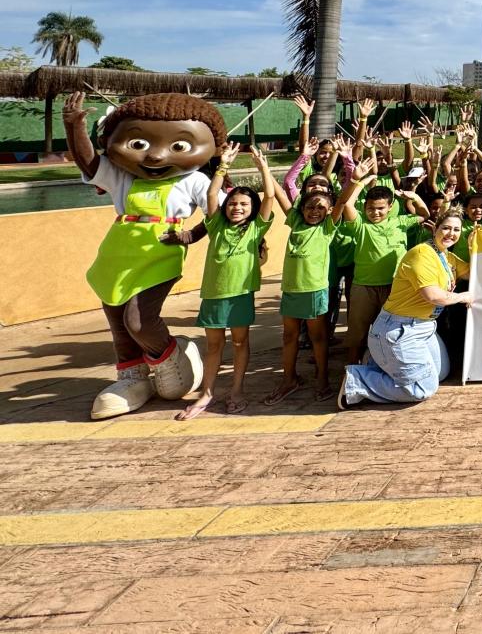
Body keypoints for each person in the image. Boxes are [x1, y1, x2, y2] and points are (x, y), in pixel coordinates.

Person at [62, 91, 218, 419]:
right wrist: (75, 127)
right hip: (117, 252)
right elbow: (89, 163)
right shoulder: (123, 177)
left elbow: (221, 212)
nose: (157, 157)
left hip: (160, 251)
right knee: (118, 319)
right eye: (139, 145)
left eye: (178, 146)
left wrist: (191, 234)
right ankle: (132, 377)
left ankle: (174, 358)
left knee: (140, 320)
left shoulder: (195, 180)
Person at [338, 209, 473, 408]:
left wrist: (473, 246)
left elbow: (473, 272)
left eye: (456, 230)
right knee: (423, 389)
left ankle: (380, 364)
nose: (450, 233)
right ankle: (357, 381)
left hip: (425, 328)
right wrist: (463, 297)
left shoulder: (447, 257)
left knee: (440, 373)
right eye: (445, 228)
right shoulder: (421, 254)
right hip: (399, 329)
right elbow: (433, 296)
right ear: (434, 228)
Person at [179, 142, 275, 419]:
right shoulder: (217, 225)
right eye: (233, 203)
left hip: (241, 294)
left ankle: (236, 391)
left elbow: (269, 195)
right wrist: (224, 165)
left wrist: (262, 166)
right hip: (213, 294)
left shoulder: (256, 228)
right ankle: (206, 393)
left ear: (252, 209)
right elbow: (211, 193)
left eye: (244, 204)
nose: (237, 208)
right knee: (213, 346)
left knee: (240, 343)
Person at [265, 166, 348, 405]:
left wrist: (355, 177)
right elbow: (281, 193)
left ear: (330, 211)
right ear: (301, 209)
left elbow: (342, 200)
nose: (314, 211)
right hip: (291, 290)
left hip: (314, 291)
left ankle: (322, 379)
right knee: (289, 336)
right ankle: (289, 378)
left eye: (321, 207)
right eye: (310, 207)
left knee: (318, 338)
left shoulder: (326, 228)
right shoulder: (295, 221)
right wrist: (264, 167)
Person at [337, 155, 426, 365]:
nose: (375, 212)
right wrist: (360, 182)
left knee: (388, 333)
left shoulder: (401, 222)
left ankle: (384, 369)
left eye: (380, 208)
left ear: (390, 206)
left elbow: (424, 213)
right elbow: (347, 203)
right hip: (363, 288)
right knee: (357, 335)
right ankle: (351, 372)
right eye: (370, 208)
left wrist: (412, 196)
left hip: (394, 287)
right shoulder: (360, 226)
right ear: (364, 207)